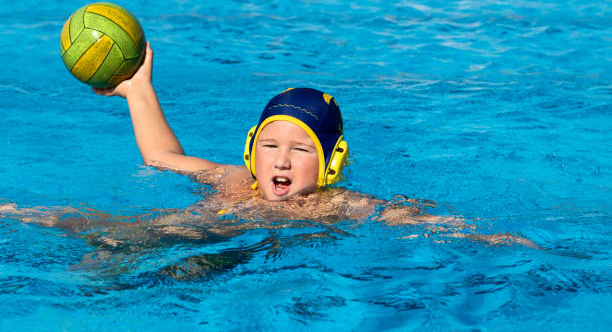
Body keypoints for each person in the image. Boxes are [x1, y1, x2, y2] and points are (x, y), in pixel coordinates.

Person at [1, 42, 535, 249]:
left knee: (126, 248)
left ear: (329, 163)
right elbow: (161, 159)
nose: (281, 159)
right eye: (271, 144)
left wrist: (490, 237)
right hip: (186, 238)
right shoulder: (235, 179)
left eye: (301, 149)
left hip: (234, 254)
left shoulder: (334, 205)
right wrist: (139, 89)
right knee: (100, 240)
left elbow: (403, 216)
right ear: (250, 148)